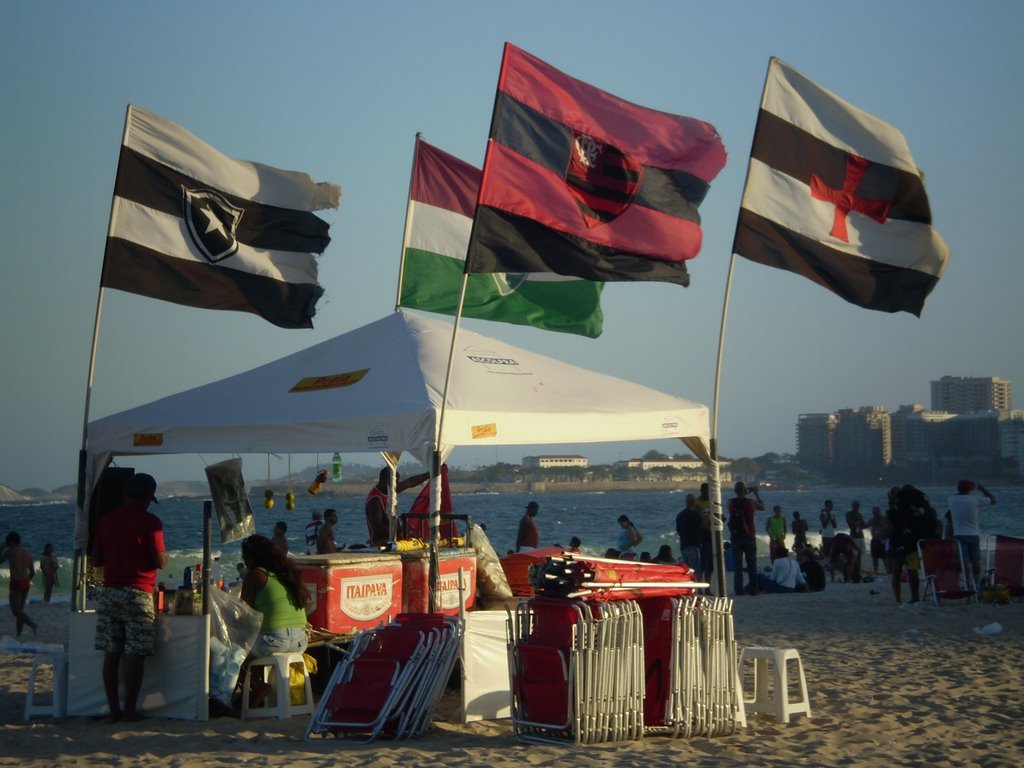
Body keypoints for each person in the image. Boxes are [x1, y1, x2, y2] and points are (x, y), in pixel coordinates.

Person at [90, 473, 167, 722]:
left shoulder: (105, 521)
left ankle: (114, 711)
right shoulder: (151, 522)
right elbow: (160, 561)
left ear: (125, 494)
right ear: (147, 498)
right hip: (138, 592)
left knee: (112, 653)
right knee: (136, 653)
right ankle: (130, 711)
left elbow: (96, 560)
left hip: (110, 592)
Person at [239, 534, 310, 708]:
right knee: (254, 648)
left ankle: (258, 686)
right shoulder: (287, 574)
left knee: (233, 658)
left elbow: (243, 614)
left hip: (274, 640)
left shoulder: (256, 575)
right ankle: (258, 695)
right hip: (301, 641)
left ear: (251, 558)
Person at [887, 484, 937, 604]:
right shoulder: (917, 505)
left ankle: (905, 598)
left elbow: (892, 525)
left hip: (900, 541)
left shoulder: (894, 509)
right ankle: (913, 597)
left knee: (899, 571)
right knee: (910, 569)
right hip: (914, 540)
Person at [947, 479, 997, 591]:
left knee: (964, 560)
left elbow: (956, 494)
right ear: (970, 489)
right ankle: (977, 582)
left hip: (959, 534)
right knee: (975, 560)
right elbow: (993, 500)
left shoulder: (951, 499)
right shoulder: (975, 499)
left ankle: (968, 582)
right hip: (973, 534)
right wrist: (981, 488)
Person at [365, 468, 429, 546]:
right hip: (382, 544)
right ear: (384, 481)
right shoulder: (376, 500)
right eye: (394, 484)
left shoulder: (390, 490)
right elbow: (378, 531)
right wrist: (401, 529)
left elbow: (409, 482)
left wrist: (428, 474)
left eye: (397, 483)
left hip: (396, 542)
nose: (396, 487)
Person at [728, 481, 764, 596]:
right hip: (749, 535)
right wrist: (756, 493)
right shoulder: (751, 503)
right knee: (751, 564)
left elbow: (739, 499)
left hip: (736, 536)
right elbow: (763, 507)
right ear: (745, 491)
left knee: (738, 566)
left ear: (735, 491)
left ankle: (739, 590)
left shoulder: (731, 503)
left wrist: (744, 491)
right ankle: (754, 589)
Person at [1, 532, 38, 636]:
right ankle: (18, 634)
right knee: (20, 611)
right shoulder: (27, 553)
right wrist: (26, 580)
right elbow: (33, 572)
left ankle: (33, 625)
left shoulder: (10, 551)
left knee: (16, 612)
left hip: (16, 582)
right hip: (26, 582)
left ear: (12, 542)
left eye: (8, 543)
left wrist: (1, 547)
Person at [676, 493, 703, 573]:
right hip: (694, 544)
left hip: (684, 545)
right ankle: (695, 584)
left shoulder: (680, 515)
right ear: (694, 503)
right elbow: (701, 526)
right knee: (695, 570)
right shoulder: (695, 515)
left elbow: (678, 530)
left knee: (687, 569)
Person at [696, 483, 714, 583]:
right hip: (702, 534)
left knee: (711, 563)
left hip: (712, 534)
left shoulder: (713, 502)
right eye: (703, 492)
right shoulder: (697, 502)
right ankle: (700, 585)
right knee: (702, 562)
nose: (705, 494)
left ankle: (708, 586)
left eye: (707, 492)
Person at [867, 506, 891, 574]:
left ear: (879, 512)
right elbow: (866, 525)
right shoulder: (873, 519)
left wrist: (882, 530)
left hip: (881, 540)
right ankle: (875, 571)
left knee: (884, 557)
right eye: (873, 512)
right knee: (874, 557)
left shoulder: (883, 519)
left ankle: (888, 571)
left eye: (875, 512)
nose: (874, 513)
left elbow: (889, 526)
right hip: (874, 540)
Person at [846, 501, 867, 574]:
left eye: (858, 506)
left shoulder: (859, 514)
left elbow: (864, 525)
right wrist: (859, 522)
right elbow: (852, 525)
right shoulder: (849, 514)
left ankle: (858, 568)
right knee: (853, 553)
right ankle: (854, 568)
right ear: (852, 506)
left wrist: (860, 522)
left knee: (860, 553)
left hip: (860, 535)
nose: (857, 508)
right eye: (855, 506)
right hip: (854, 536)